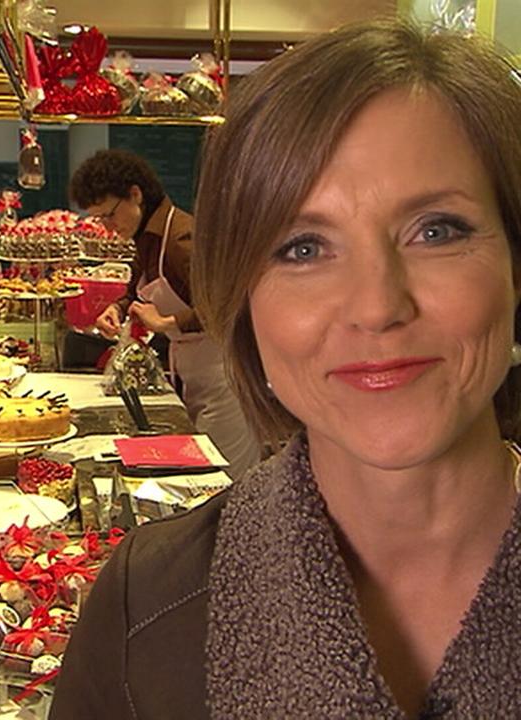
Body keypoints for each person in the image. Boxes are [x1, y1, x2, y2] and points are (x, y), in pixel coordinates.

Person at [51, 18, 521, 719]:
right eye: (302, 248)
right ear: (245, 301)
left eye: (436, 231)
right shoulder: (141, 608)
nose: (377, 307)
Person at [69, 149, 260, 480]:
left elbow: (231, 303)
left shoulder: (180, 237)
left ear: (135, 194)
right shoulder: (146, 237)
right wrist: (117, 307)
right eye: (99, 219)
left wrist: (167, 323)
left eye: (109, 215)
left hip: (224, 375)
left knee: (223, 481)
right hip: (191, 370)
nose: (108, 227)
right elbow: (137, 288)